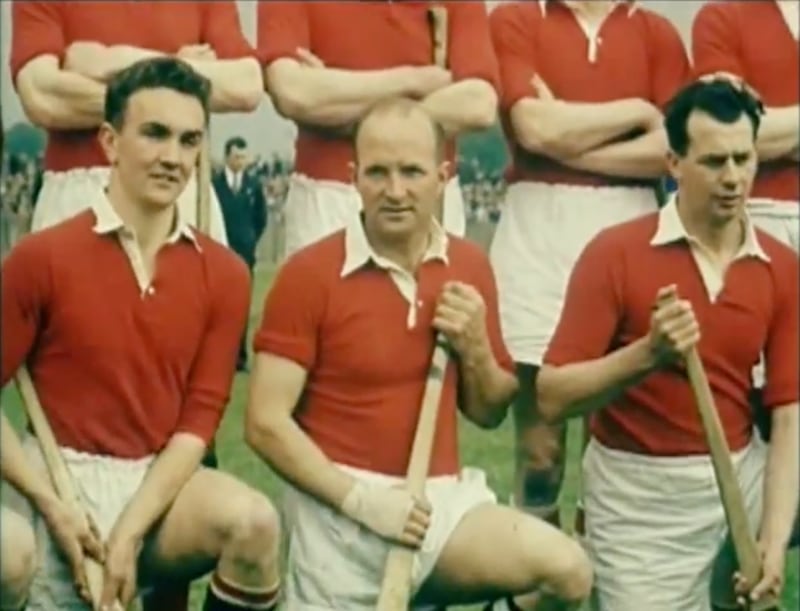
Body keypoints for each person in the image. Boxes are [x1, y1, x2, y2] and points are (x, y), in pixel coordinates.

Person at [245, 97, 593, 611]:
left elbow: (490, 411)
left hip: (439, 505)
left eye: (411, 172)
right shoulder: (309, 274)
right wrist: (362, 503)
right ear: (353, 177)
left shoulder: (468, 265)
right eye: (378, 172)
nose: (395, 190)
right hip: (337, 516)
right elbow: (264, 424)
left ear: (442, 177)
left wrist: (475, 347)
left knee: (567, 572)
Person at [0, 57, 282, 611]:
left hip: (157, 491)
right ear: (110, 142)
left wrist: (129, 532)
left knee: (254, 523)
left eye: (189, 140)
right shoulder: (42, 258)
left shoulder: (225, 273)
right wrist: (49, 503)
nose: (172, 156)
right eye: (154, 134)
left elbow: (199, 422)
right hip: (54, 482)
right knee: (8, 554)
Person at [536, 79, 799, 611]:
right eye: (714, 162)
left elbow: (790, 416)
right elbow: (552, 396)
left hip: (742, 473)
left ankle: (733, 575)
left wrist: (773, 544)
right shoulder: (615, 253)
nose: (733, 178)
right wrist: (647, 355)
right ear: (674, 163)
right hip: (642, 499)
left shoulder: (782, 265)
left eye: (743, 159)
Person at [487, 0, 691, 526]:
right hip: (538, 234)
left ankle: (604, 566)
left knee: (615, 450)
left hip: (632, 230)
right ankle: (536, 570)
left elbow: (674, 148)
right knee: (540, 454)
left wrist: (572, 146)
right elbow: (534, 128)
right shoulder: (516, 19)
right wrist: (639, 111)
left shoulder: (656, 33)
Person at [257, 1, 500, 258]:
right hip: (329, 196)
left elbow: (479, 104)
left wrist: (338, 98)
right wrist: (416, 81)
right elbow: (292, 93)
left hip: (427, 196)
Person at [9, 0, 263, 244]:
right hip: (81, 193)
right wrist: (183, 75)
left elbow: (246, 86)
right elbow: (42, 96)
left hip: (178, 190)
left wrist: (115, 60)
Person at [692, 0, 799, 251]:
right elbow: (726, 133)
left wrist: (778, 131)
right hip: (762, 213)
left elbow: (750, 131)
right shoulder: (722, 18)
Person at [212, 136, 268, 372]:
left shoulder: (253, 185)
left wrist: (251, 239)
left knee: (242, 304)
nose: (240, 161)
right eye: (236, 156)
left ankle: (240, 357)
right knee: (218, 306)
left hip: (245, 253)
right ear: (227, 157)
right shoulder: (214, 185)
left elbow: (261, 217)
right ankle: (217, 355)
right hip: (219, 251)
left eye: (243, 157)